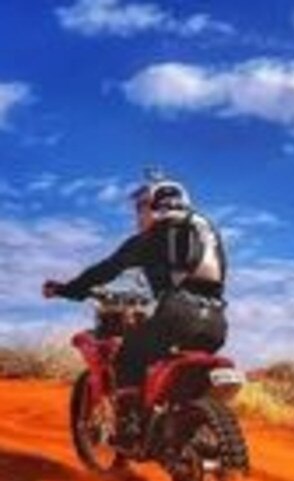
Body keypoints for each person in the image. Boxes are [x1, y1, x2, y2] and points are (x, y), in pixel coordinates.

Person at [43, 176, 229, 447]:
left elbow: (105, 270)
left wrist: (66, 290)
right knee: (171, 372)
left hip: (178, 314)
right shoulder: (208, 230)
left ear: (153, 206)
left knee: (127, 357)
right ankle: (175, 433)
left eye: (140, 208)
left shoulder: (154, 235)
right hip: (216, 322)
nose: (138, 215)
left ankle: (129, 430)